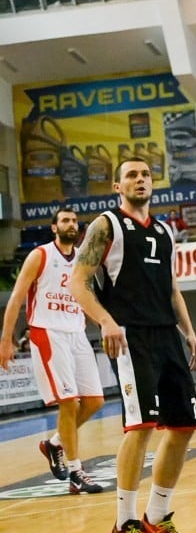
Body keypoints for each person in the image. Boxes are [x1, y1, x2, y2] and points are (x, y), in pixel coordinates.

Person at [69, 158, 196, 533]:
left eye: (145, 175)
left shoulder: (164, 232)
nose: (140, 180)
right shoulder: (106, 226)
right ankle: (124, 523)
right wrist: (107, 322)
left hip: (166, 335)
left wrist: (190, 332)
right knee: (141, 426)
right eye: (131, 175)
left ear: (153, 183)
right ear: (117, 185)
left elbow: (173, 289)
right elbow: (78, 281)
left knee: (183, 427)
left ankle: (157, 518)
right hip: (130, 337)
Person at [0, 207, 104, 494]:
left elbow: (86, 299)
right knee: (69, 403)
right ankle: (76, 472)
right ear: (54, 228)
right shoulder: (40, 255)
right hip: (48, 332)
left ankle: (55, 442)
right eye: (65, 220)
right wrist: (6, 339)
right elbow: (17, 297)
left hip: (77, 333)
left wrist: (105, 324)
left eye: (74, 220)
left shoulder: (84, 259)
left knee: (95, 401)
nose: (71, 224)